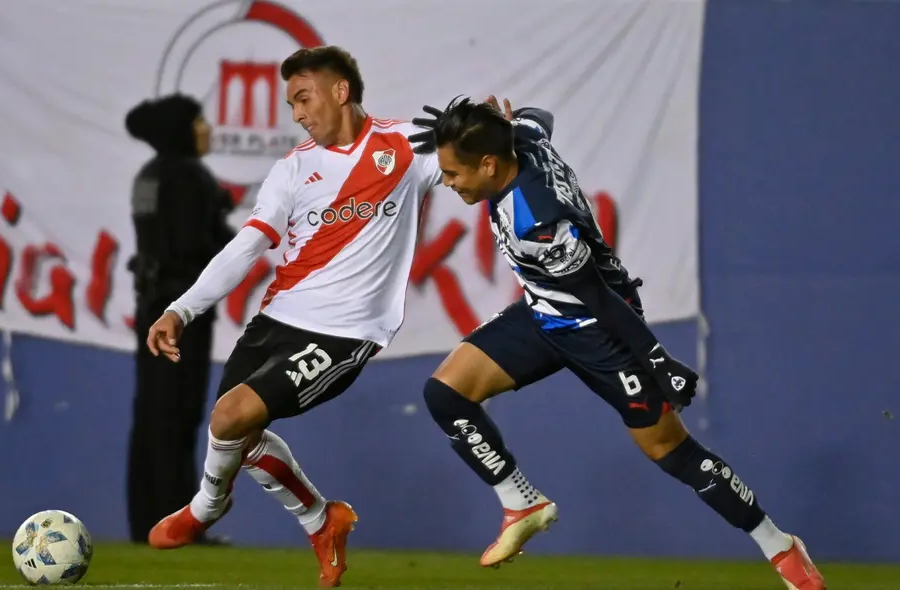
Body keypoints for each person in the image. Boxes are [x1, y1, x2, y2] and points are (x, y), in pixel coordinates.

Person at [407, 97, 826, 589]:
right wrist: (492, 119)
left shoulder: (537, 224)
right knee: (445, 394)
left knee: (670, 450)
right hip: (545, 313)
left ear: (489, 164)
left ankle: (780, 547)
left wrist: (658, 359)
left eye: (454, 174)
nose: (449, 184)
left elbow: (600, 298)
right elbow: (537, 115)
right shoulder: (526, 142)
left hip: (601, 328)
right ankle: (522, 502)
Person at [143, 46, 442, 588]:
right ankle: (321, 520)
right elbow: (247, 246)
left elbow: (478, 162)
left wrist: (504, 130)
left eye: (303, 98)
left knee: (230, 419)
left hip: (346, 332)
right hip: (277, 320)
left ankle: (205, 508)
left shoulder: (407, 146)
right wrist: (181, 309)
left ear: (340, 91)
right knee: (239, 434)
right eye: (291, 104)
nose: (298, 113)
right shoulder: (293, 168)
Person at [123, 94, 236, 544]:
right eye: (199, 120)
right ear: (181, 129)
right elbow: (194, 247)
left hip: (151, 306)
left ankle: (145, 520)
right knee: (179, 414)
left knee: (151, 414)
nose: (207, 128)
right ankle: (175, 525)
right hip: (181, 313)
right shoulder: (188, 176)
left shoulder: (149, 175)